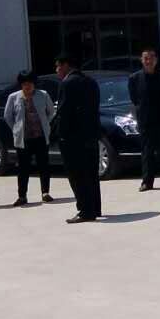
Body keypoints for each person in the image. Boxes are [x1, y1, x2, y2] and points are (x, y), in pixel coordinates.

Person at [55, 53, 103, 223]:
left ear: (66, 65)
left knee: (77, 175)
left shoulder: (67, 83)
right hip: (91, 135)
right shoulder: (91, 82)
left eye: (58, 66)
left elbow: (64, 112)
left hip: (73, 137)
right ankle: (95, 207)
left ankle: (85, 210)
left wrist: (60, 134)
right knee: (91, 173)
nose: (57, 70)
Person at [3, 70, 56, 206]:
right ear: (21, 85)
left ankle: (45, 192)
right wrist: (16, 129)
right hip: (23, 138)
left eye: (30, 83)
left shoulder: (43, 95)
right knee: (23, 168)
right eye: (25, 84)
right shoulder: (13, 97)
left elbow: (51, 112)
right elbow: (8, 116)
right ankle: (22, 196)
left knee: (43, 165)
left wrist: (46, 124)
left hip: (40, 136)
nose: (28, 86)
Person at [128, 47, 160, 191]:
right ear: (141, 60)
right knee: (147, 153)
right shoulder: (134, 78)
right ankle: (147, 182)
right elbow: (134, 99)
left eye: (151, 58)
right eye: (145, 58)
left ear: (156, 60)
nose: (148, 61)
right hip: (146, 121)